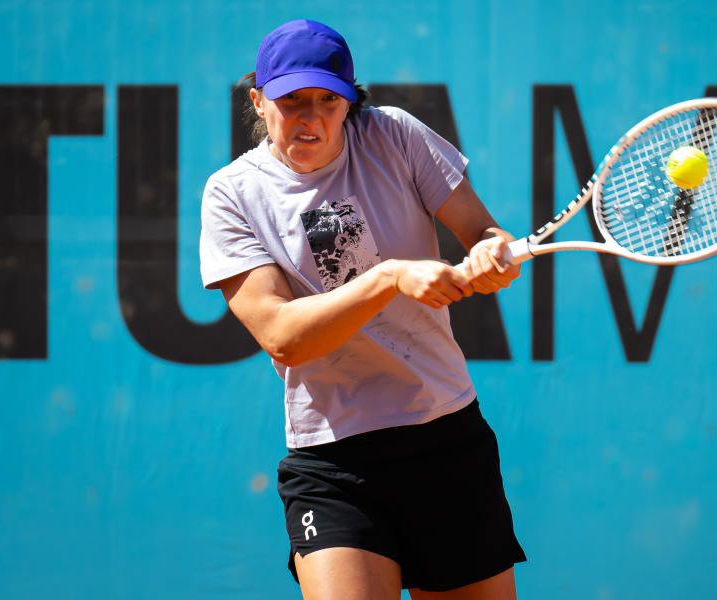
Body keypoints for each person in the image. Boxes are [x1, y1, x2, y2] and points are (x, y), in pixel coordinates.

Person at [199, 18, 526, 600]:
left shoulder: (394, 135)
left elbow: (482, 231)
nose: (312, 118)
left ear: (350, 101)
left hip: (444, 435)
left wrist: (492, 253)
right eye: (292, 101)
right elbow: (283, 336)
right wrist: (391, 278)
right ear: (258, 99)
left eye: (330, 101)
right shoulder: (231, 193)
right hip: (332, 462)